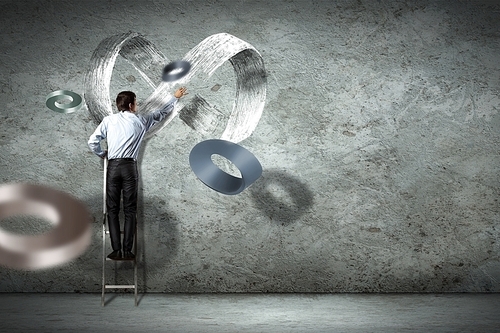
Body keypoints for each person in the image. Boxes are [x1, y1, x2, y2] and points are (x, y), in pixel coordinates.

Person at [88, 87, 188, 260]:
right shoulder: (141, 120)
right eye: (136, 102)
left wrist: (102, 153)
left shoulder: (108, 120)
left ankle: (116, 250)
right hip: (129, 167)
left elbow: (92, 141)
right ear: (130, 104)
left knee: (112, 210)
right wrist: (175, 98)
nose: (137, 104)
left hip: (113, 166)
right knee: (130, 210)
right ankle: (127, 251)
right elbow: (162, 113)